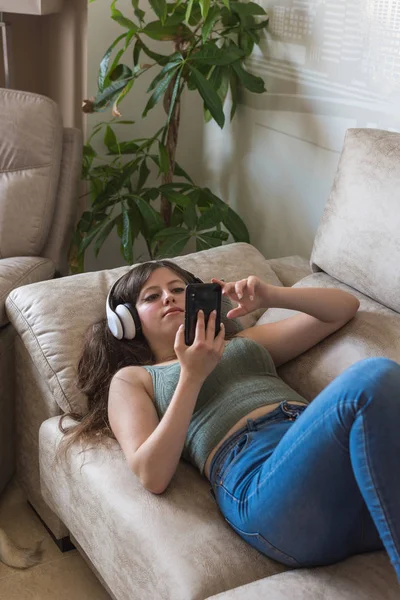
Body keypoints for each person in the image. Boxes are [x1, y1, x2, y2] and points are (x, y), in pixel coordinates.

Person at [59, 259, 400, 582]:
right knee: (374, 377)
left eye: (179, 290)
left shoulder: (240, 343)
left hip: (334, 477)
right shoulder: (134, 379)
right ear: (128, 322)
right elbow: (152, 473)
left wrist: (272, 295)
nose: (169, 298)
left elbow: (343, 308)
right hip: (262, 486)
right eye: (151, 296)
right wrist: (191, 375)